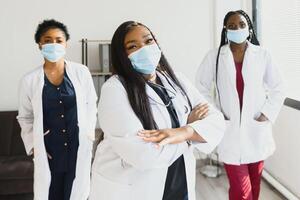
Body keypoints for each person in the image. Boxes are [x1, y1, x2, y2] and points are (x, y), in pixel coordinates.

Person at [90, 21, 225, 200]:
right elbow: (144, 155)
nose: (144, 49)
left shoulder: (176, 80)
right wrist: (189, 136)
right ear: (122, 55)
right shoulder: (114, 89)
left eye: (148, 41)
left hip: (179, 184)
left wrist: (185, 131)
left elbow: (215, 120)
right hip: (134, 189)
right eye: (133, 46)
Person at [196, 10, 285, 200]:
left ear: (249, 29)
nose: (237, 29)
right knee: (242, 192)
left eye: (242, 25)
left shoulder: (262, 55)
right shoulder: (215, 57)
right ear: (226, 30)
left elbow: (278, 87)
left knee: (254, 184)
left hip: (256, 129)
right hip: (230, 132)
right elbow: (201, 88)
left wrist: (266, 115)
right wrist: (216, 114)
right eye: (232, 26)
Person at [17, 19, 97, 200]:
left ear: (65, 43)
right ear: (39, 44)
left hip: (77, 144)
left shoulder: (81, 72)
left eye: (58, 40)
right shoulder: (29, 80)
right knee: (52, 193)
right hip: (50, 149)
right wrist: (33, 147)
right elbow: (25, 117)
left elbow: (91, 103)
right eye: (47, 40)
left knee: (77, 191)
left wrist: (89, 133)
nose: (53, 44)